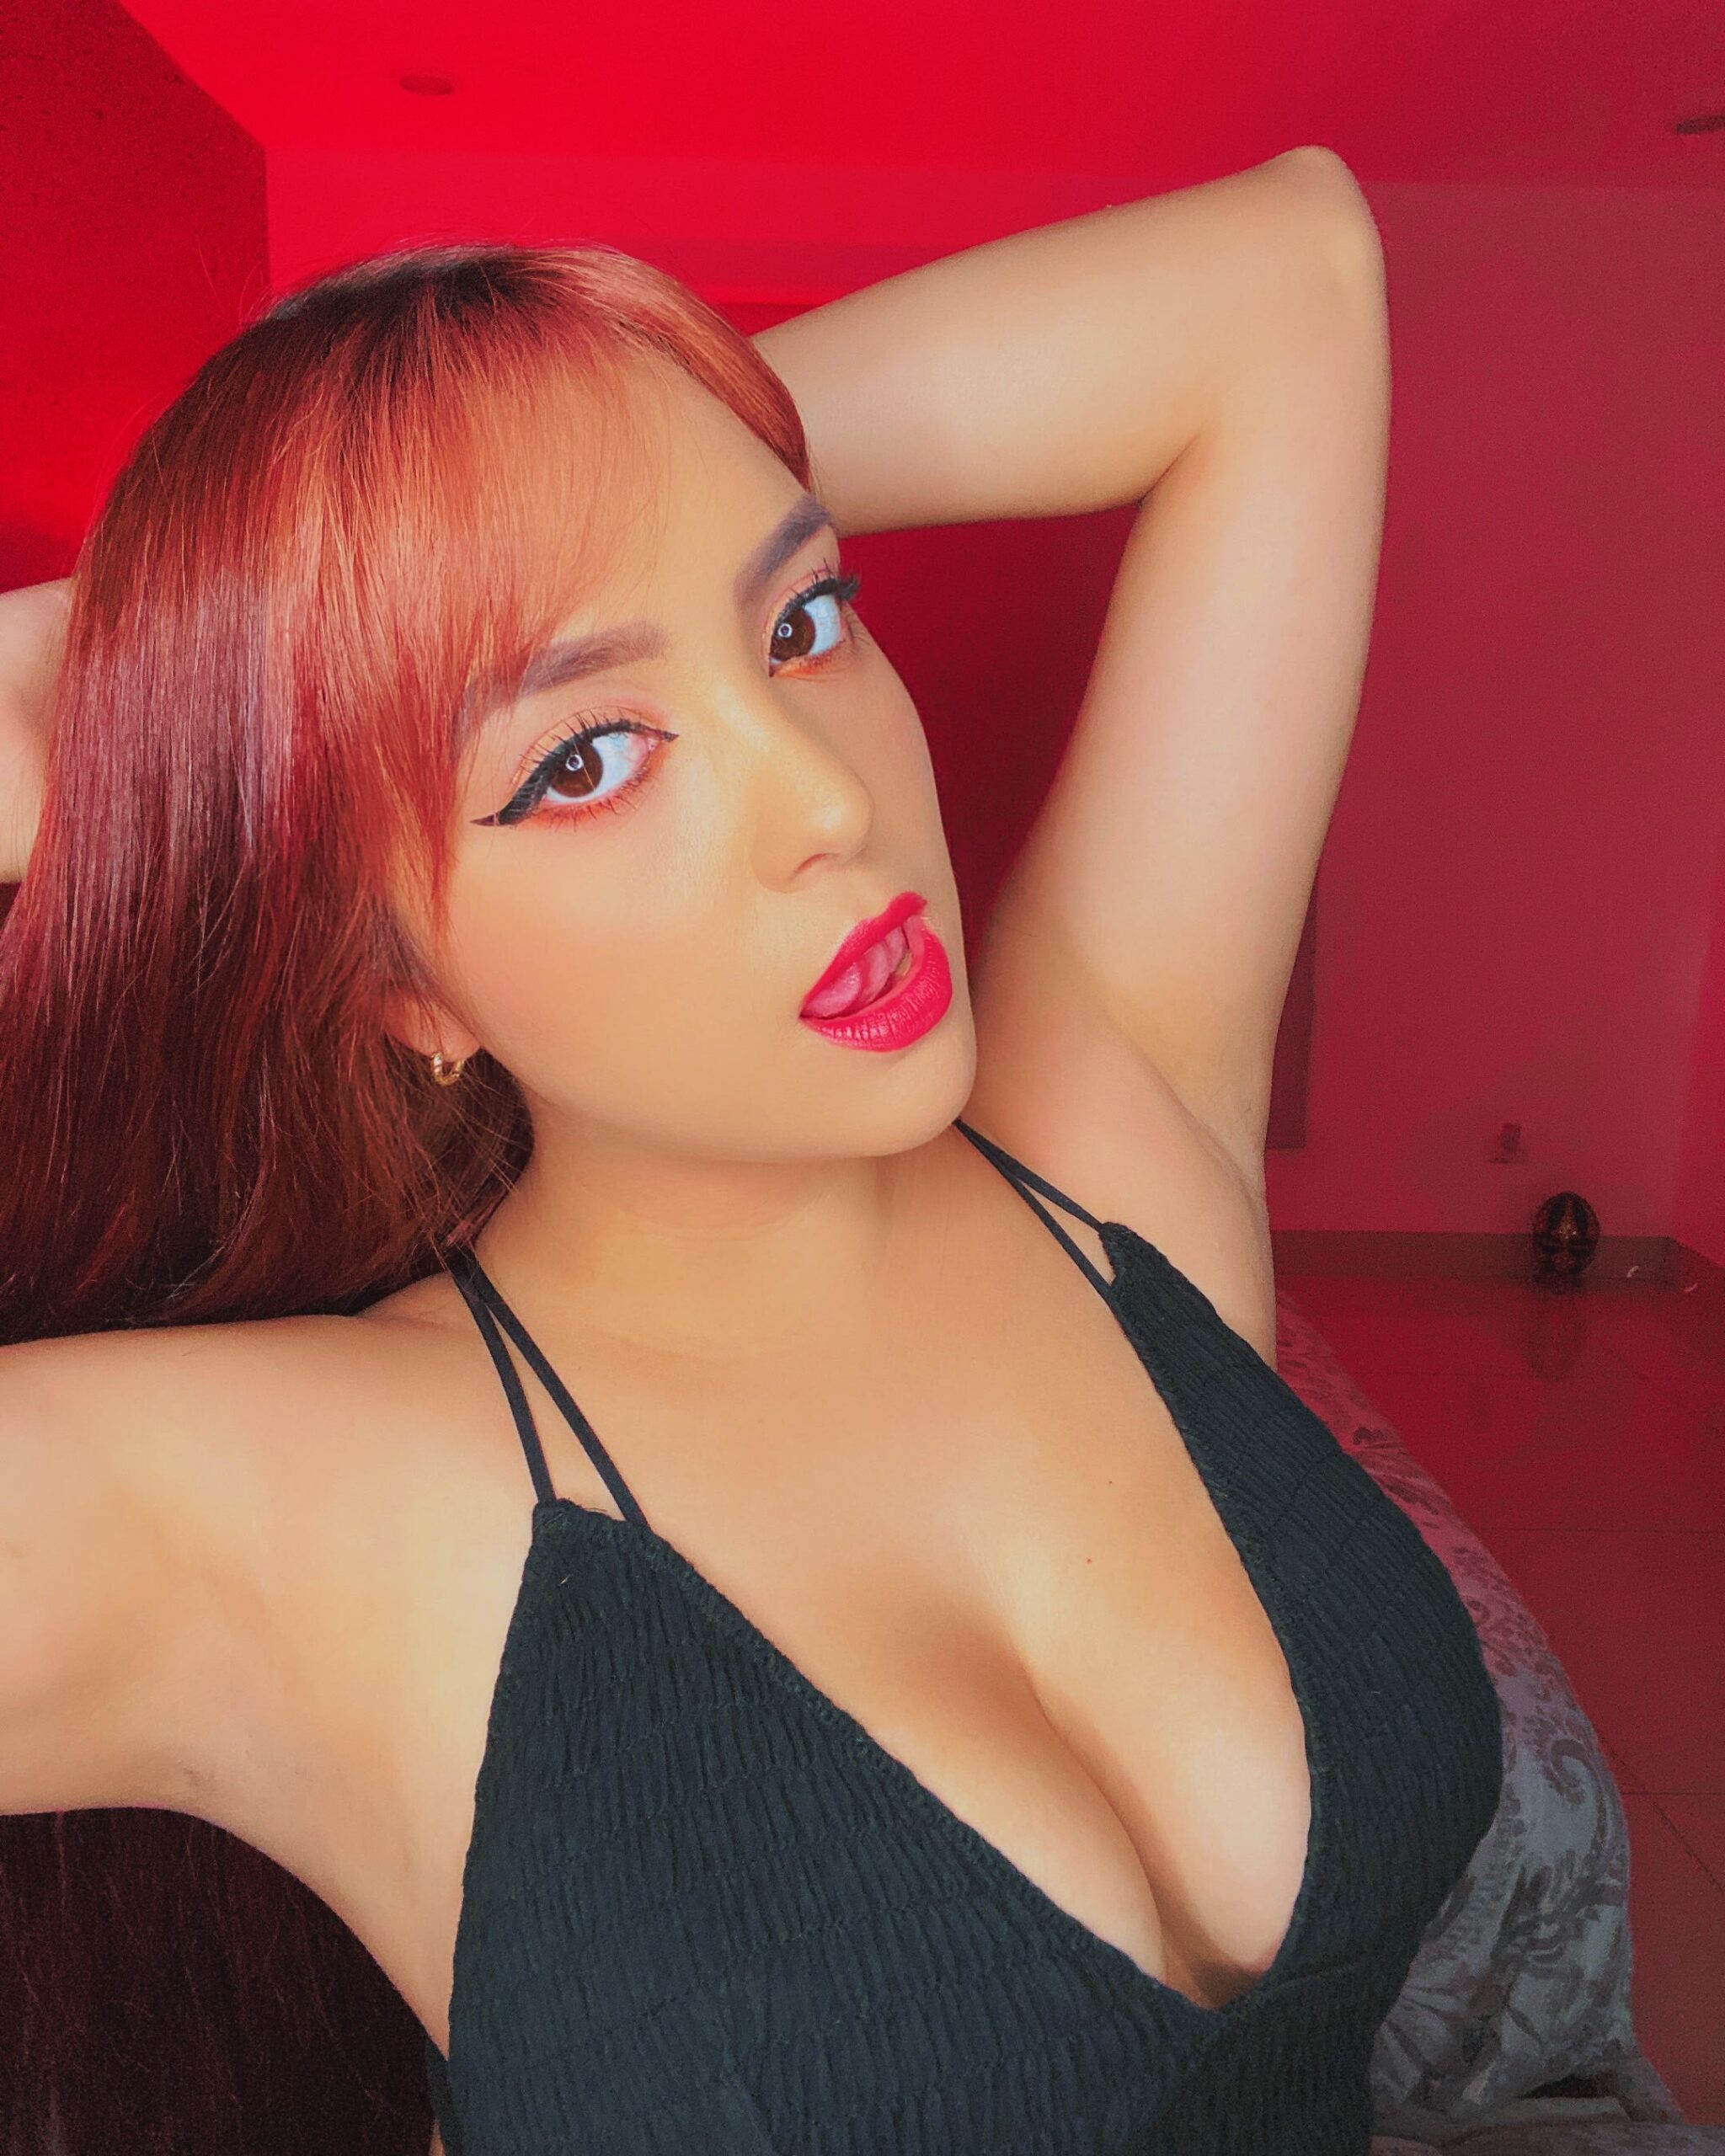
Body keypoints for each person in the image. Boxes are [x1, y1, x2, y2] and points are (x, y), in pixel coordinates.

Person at [0, 147, 1503, 2154]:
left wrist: (600, 466)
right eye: (583, 756)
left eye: (800, 618)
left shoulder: (1103, 1152)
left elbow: (1286, 281)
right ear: (394, 985)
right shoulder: (282, 1505)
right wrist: (169, 670)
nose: (828, 796)